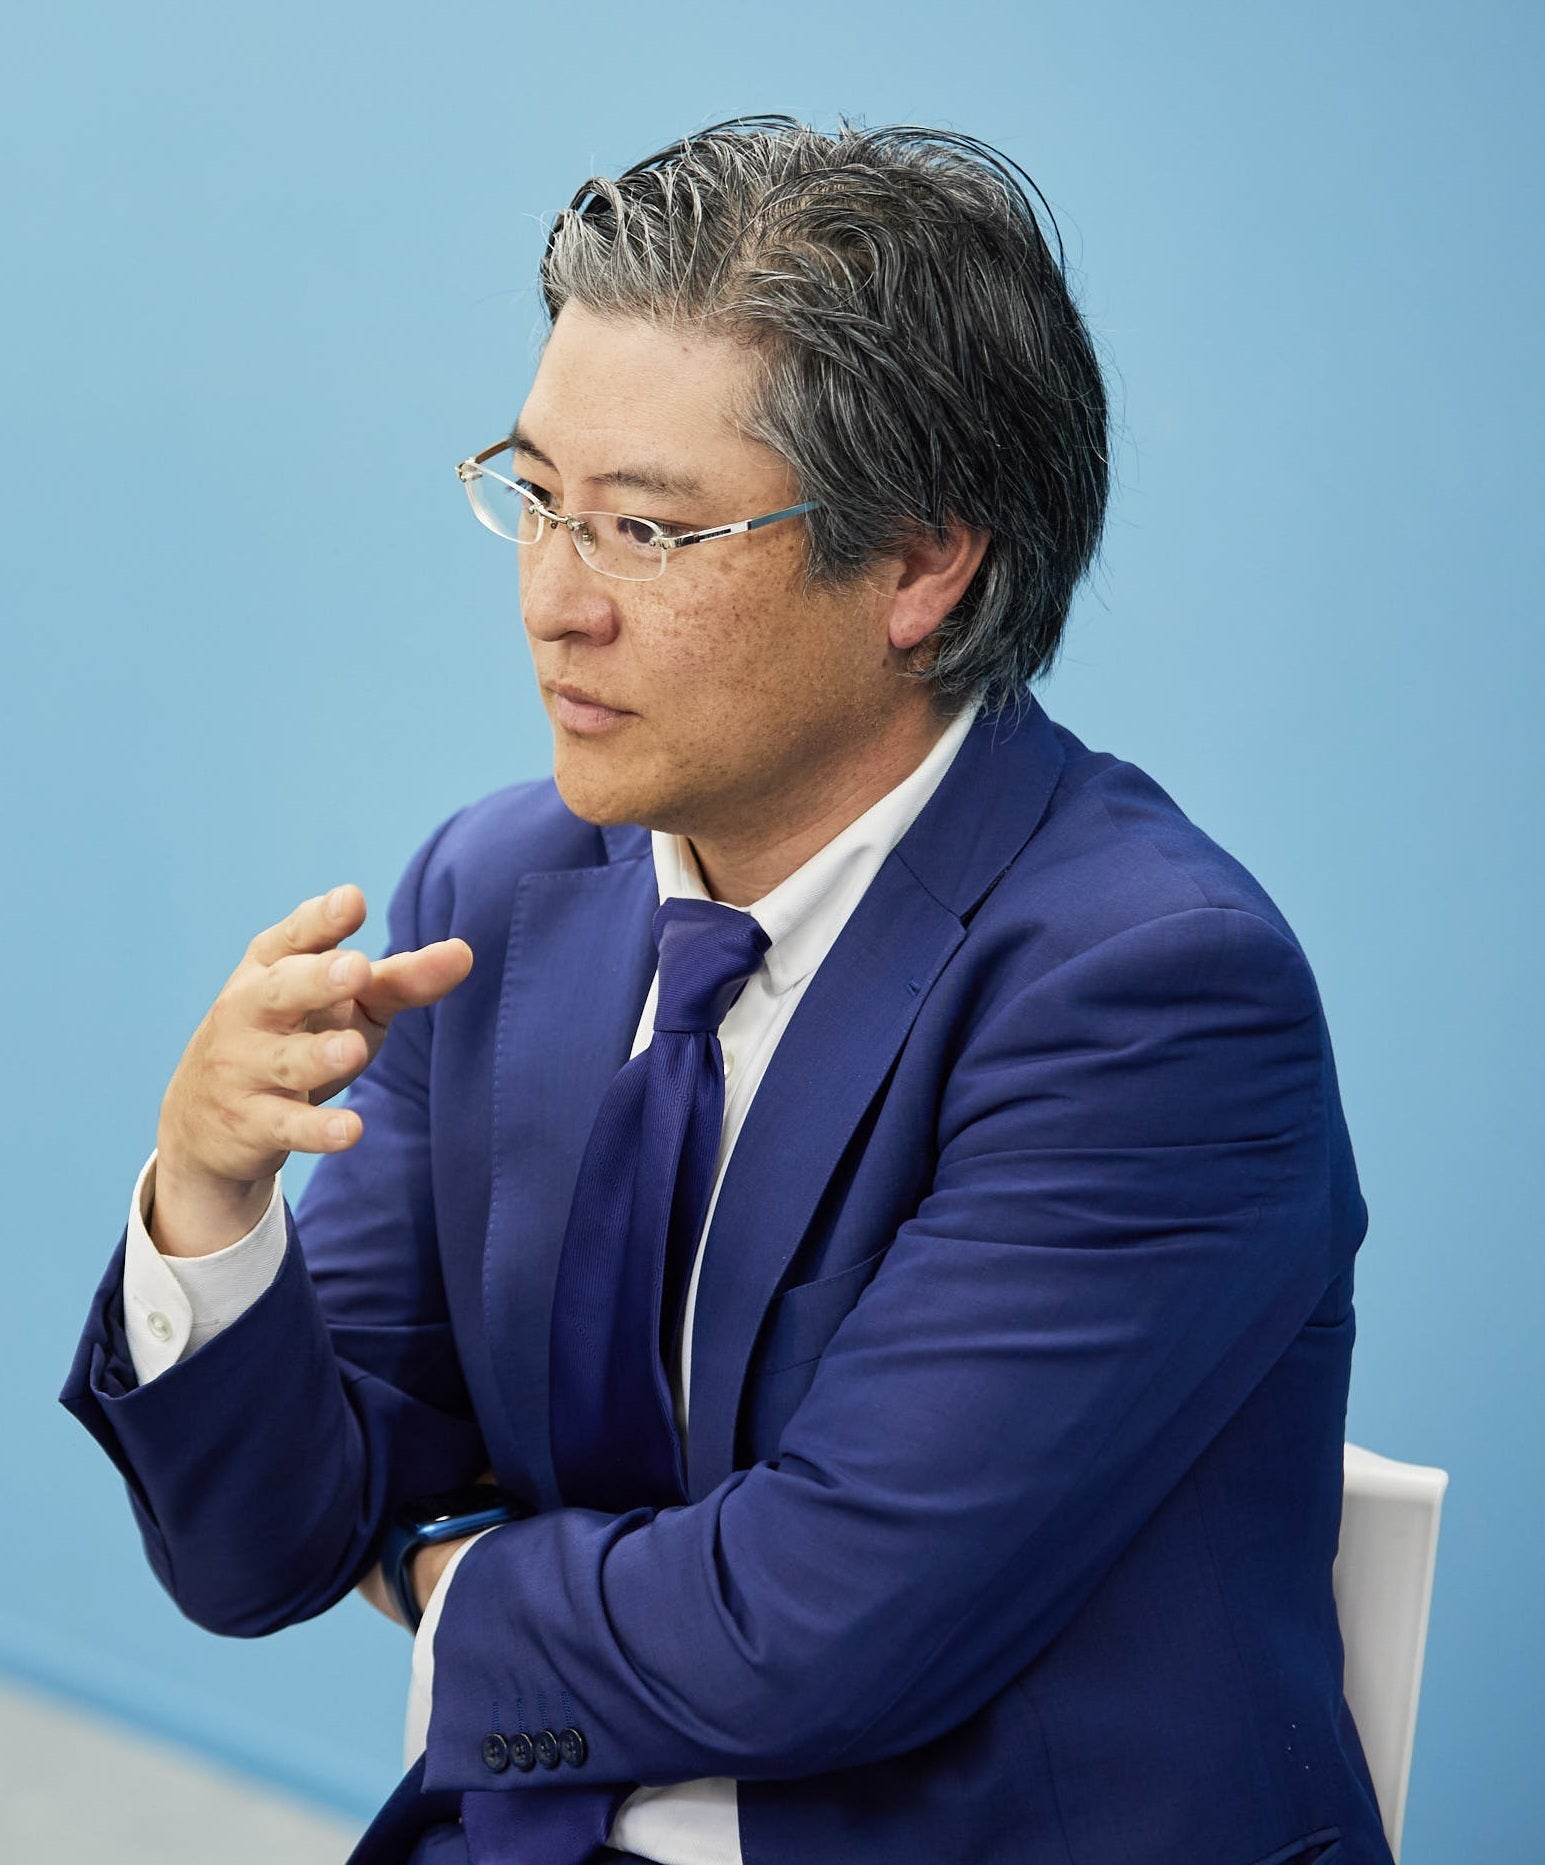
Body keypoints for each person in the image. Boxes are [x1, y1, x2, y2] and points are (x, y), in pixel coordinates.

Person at [60, 117, 1392, 1865]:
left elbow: (807, 1625)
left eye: (645, 529)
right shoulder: (497, 893)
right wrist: (211, 1202)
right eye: (536, 497)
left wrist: (450, 1577)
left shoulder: (1149, 993)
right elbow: (268, 1549)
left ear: (920, 564)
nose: (555, 602)